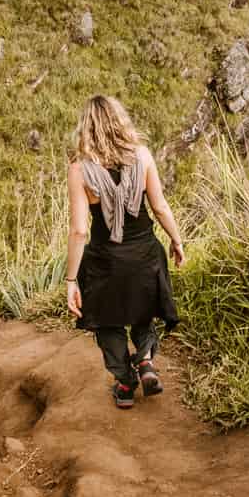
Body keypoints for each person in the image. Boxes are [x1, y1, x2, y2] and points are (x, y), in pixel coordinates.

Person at [65, 95, 185, 409]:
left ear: (86, 128)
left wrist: (70, 281)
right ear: (121, 121)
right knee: (143, 309)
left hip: (105, 260)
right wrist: (176, 241)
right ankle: (144, 361)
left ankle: (124, 381)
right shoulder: (142, 156)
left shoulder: (79, 170)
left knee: (108, 322)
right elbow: (159, 206)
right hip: (145, 252)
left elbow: (79, 231)